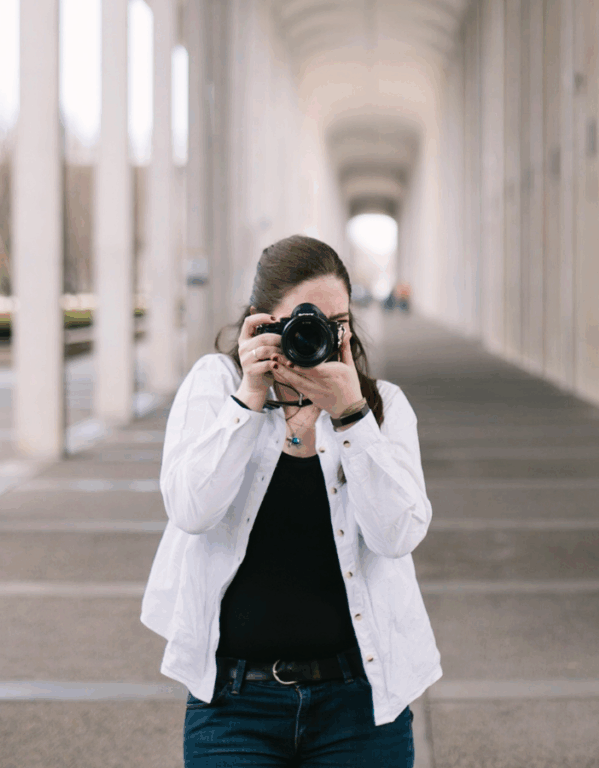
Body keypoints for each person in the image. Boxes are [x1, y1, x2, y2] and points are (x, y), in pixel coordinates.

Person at [141, 234, 442, 767]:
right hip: (235, 704)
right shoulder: (217, 385)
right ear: (260, 322)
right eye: (304, 321)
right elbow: (191, 509)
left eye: (337, 323)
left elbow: (398, 536)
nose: (320, 335)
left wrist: (350, 415)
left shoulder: (382, 406)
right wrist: (250, 399)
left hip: (361, 705)